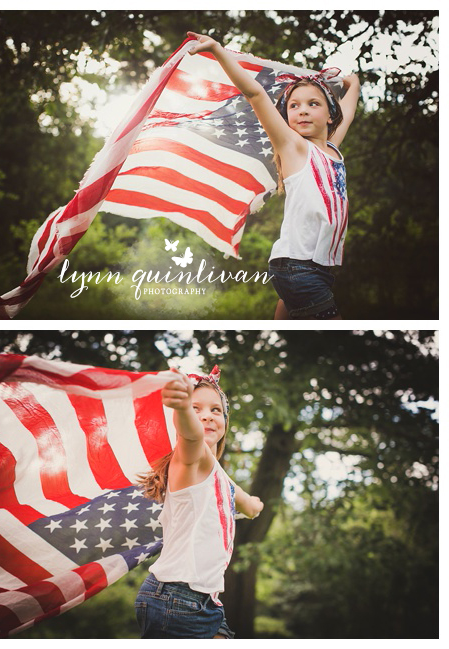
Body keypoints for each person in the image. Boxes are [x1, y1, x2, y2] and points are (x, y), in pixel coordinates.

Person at [187, 33, 360, 319]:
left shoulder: (330, 150)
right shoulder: (293, 147)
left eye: (313, 104)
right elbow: (255, 93)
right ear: (286, 116)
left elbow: (349, 112)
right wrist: (218, 50)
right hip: (299, 267)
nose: (303, 110)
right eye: (294, 106)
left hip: (315, 267)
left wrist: (353, 84)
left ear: (331, 115)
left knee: (287, 321)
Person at [134, 367, 263, 638]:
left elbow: (248, 505)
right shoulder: (190, 457)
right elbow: (191, 436)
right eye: (197, 409)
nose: (207, 415)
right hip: (176, 599)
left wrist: (254, 504)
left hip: (203, 602)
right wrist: (181, 409)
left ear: (226, 421)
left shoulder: (219, 476)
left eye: (216, 410)